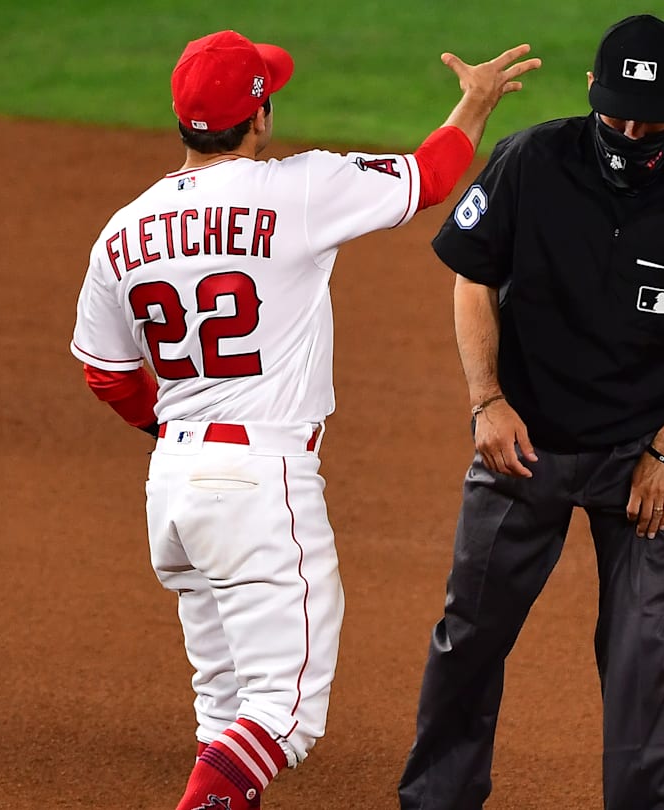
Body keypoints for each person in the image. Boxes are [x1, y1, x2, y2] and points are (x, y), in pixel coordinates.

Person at [68, 29, 538, 810]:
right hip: (259, 487)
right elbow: (427, 178)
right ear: (260, 119)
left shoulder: (122, 231)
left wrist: (174, 431)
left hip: (174, 490)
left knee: (224, 715)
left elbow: (106, 372)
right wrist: (476, 101)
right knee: (285, 718)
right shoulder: (296, 187)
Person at [397, 14, 664, 810]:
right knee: (470, 636)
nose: (633, 131)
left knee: (641, 654)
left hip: (637, 462)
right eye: (617, 114)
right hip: (523, 448)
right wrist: (487, 400)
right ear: (590, 91)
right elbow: (471, 276)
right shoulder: (530, 160)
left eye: (651, 118)